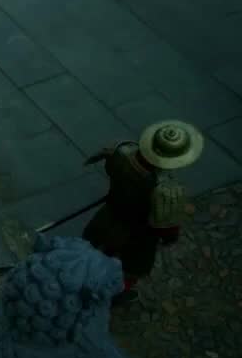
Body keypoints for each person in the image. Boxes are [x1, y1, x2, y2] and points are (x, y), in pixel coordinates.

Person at [81, 120, 203, 305]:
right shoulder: (166, 189)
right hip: (137, 235)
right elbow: (166, 229)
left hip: (108, 214)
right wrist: (170, 239)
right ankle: (111, 295)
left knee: (92, 248)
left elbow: (108, 168)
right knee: (133, 269)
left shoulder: (120, 151)